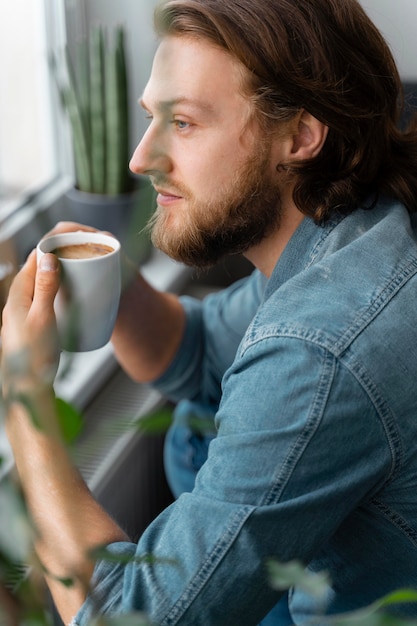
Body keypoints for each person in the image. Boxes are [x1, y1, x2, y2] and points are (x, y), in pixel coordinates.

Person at [3, 0, 417, 624]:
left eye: (185, 124)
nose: (141, 158)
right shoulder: (350, 230)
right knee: (196, 425)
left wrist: (23, 396)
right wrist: (109, 282)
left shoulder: (320, 342)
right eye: (150, 120)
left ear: (301, 136)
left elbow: (130, 618)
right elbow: (198, 352)